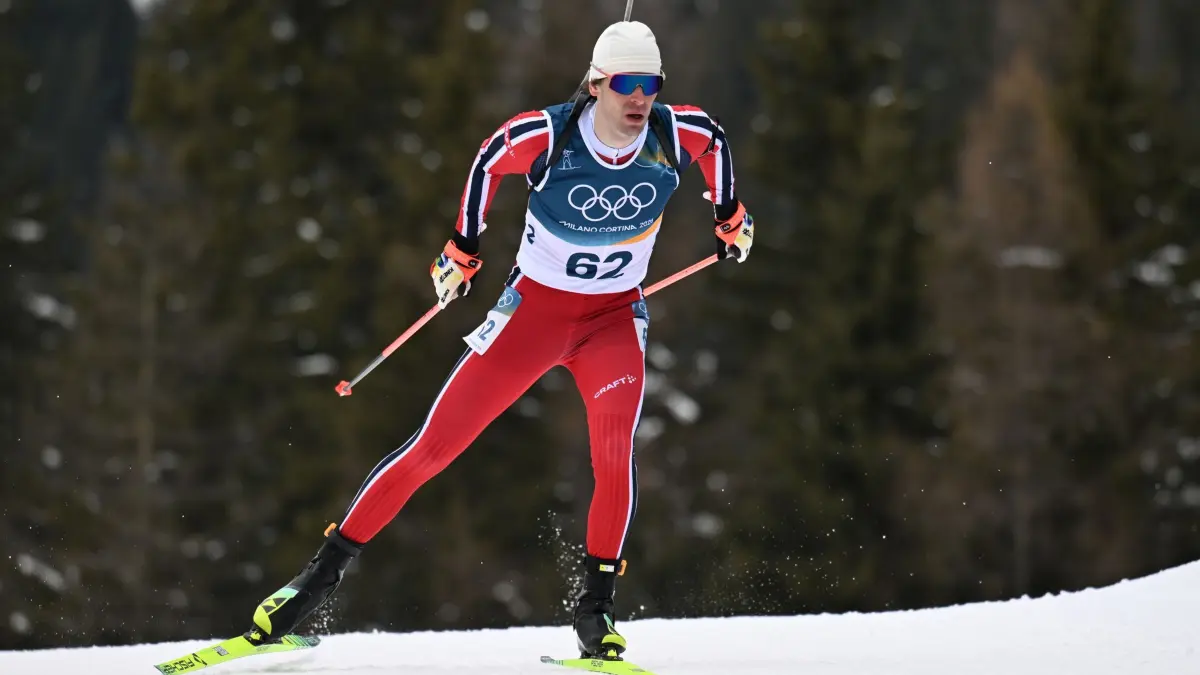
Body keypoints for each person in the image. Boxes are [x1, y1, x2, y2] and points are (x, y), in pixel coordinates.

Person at [243, 20, 754, 660]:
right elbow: (489, 157)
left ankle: (596, 615)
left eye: (650, 84)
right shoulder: (551, 134)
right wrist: (462, 248)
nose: (639, 98)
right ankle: (310, 585)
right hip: (532, 318)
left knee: (614, 453)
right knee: (433, 448)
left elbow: (718, 143)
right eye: (625, 83)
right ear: (596, 84)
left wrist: (729, 215)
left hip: (613, 321)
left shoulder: (678, 133)